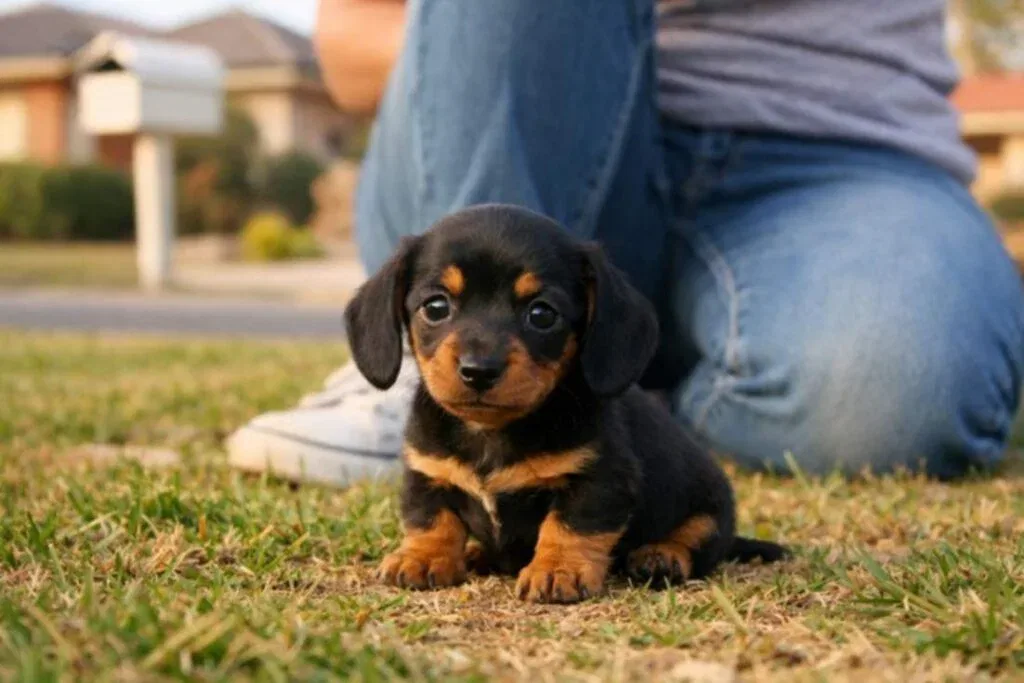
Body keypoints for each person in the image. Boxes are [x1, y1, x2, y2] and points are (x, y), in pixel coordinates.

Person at [227, 0, 1024, 483]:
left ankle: (605, 409)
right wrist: (507, 59)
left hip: (842, 149)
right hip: (539, 146)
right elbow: (346, 51)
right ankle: (419, 403)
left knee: (899, 387)